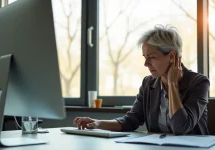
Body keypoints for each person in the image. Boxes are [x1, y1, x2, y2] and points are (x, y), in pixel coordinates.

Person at [73, 25, 210, 135]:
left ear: (172, 56)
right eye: (145, 57)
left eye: (152, 57)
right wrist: (97, 123)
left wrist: (172, 84)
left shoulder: (199, 83)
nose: (146, 64)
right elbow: (131, 120)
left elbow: (181, 127)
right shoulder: (148, 83)